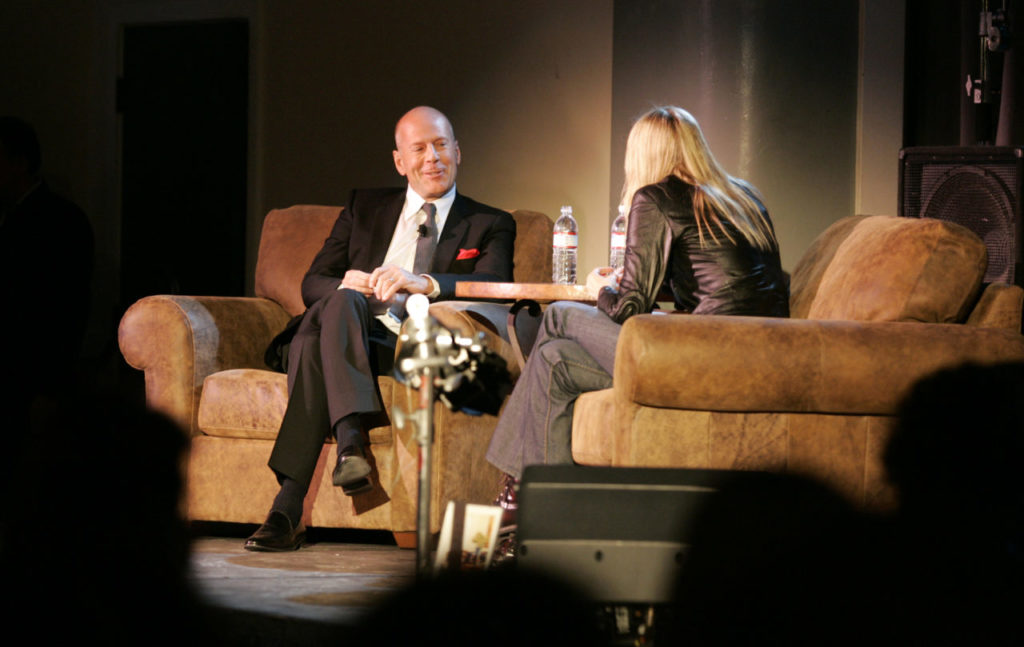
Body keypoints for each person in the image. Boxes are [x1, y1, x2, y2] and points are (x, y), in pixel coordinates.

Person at [485, 106, 789, 518]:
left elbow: (630, 307)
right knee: (553, 359)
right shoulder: (743, 195)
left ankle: (513, 489)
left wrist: (601, 288)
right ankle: (544, 508)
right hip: (757, 357)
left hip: (701, 361)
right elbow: (722, 278)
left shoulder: (656, 197)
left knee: (558, 315)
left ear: (643, 155)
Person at [245, 106, 516, 552]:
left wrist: (424, 283)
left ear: (458, 151)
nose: (432, 158)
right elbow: (314, 282)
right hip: (348, 328)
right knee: (339, 304)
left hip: (403, 345)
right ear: (399, 161)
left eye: (441, 145)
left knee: (314, 343)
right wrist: (349, 284)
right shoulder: (364, 207)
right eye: (419, 149)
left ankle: (290, 504)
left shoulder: (490, 222)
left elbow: (494, 287)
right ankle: (347, 449)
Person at [0, 116, 94, 471]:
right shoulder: (13, 218)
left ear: (20, 163)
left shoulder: (59, 223)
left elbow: (65, 310)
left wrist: (50, 386)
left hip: (28, 379)